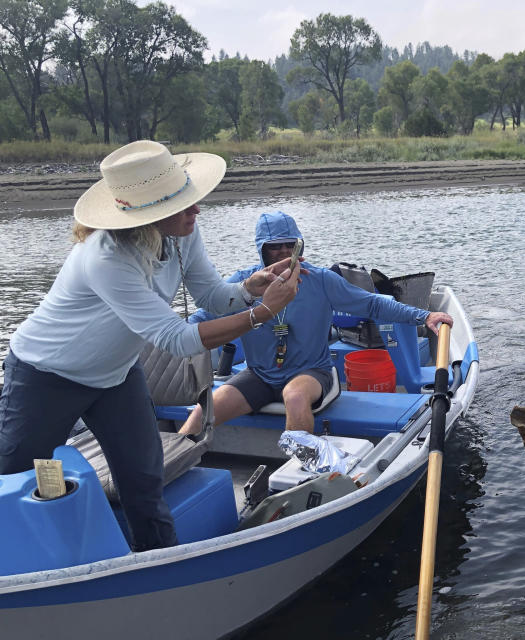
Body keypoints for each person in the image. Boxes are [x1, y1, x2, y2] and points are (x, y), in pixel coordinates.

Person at [0, 140, 302, 551]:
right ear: (149, 217)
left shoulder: (182, 234)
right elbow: (176, 340)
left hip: (116, 375)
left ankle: (161, 562)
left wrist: (250, 290)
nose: (197, 210)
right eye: (184, 205)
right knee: (14, 477)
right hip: (45, 376)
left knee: (144, 479)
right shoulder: (105, 258)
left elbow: (212, 295)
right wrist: (262, 314)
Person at [178, 211, 452, 436]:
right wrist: (163, 339)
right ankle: (176, 462)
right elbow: (204, 317)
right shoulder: (243, 284)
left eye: (291, 245)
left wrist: (424, 316)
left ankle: (298, 473)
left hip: (311, 373)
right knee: (205, 410)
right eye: (275, 247)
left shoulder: (321, 280)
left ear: (300, 247)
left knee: (295, 397)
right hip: (259, 375)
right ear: (262, 250)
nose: (284, 252)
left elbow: (372, 303)